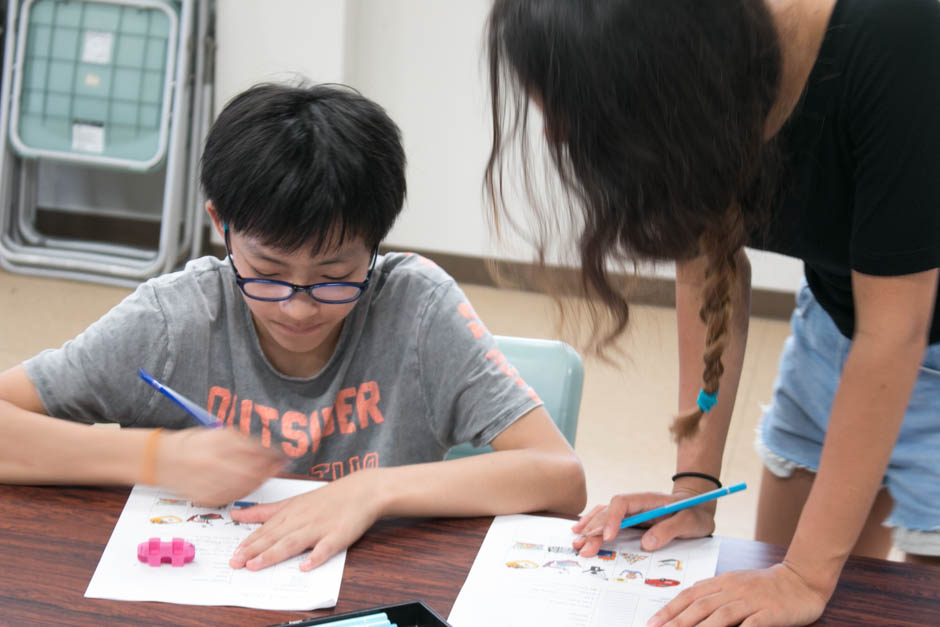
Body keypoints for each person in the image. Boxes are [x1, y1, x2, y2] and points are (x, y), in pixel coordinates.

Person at [0, 82, 586, 573]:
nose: (298, 308)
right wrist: (155, 457)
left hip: (375, 586)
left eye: (334, 276)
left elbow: (561, 479)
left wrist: (373, 490)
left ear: (376, 244)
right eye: (267, 272)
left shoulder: (417, 310)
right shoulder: (173, 320)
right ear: (221, 225)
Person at [485, 0, 939, 625]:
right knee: (775, 586)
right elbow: (710, 270)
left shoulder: (901, 37)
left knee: (887, 602)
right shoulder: (713, 77)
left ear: (659, 67)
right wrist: (692, 487)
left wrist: (805, 575)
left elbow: (896, 332)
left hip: (903, 335)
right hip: (839, 322)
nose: (556, 135)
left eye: (564, 106)